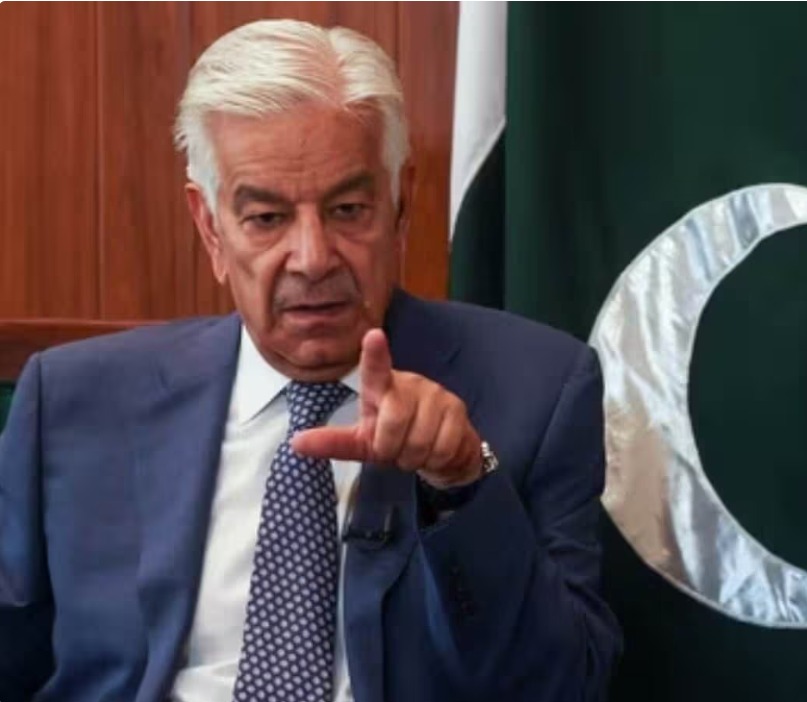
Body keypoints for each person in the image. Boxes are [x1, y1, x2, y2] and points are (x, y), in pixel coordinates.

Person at [0, 19, 622, 702]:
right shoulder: (72, 399)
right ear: (210, 227)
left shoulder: (538, 389)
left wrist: (462, 484)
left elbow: (564, 685)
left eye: (348, 209)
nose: (312, 258)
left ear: (400, 205)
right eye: (266, 219)